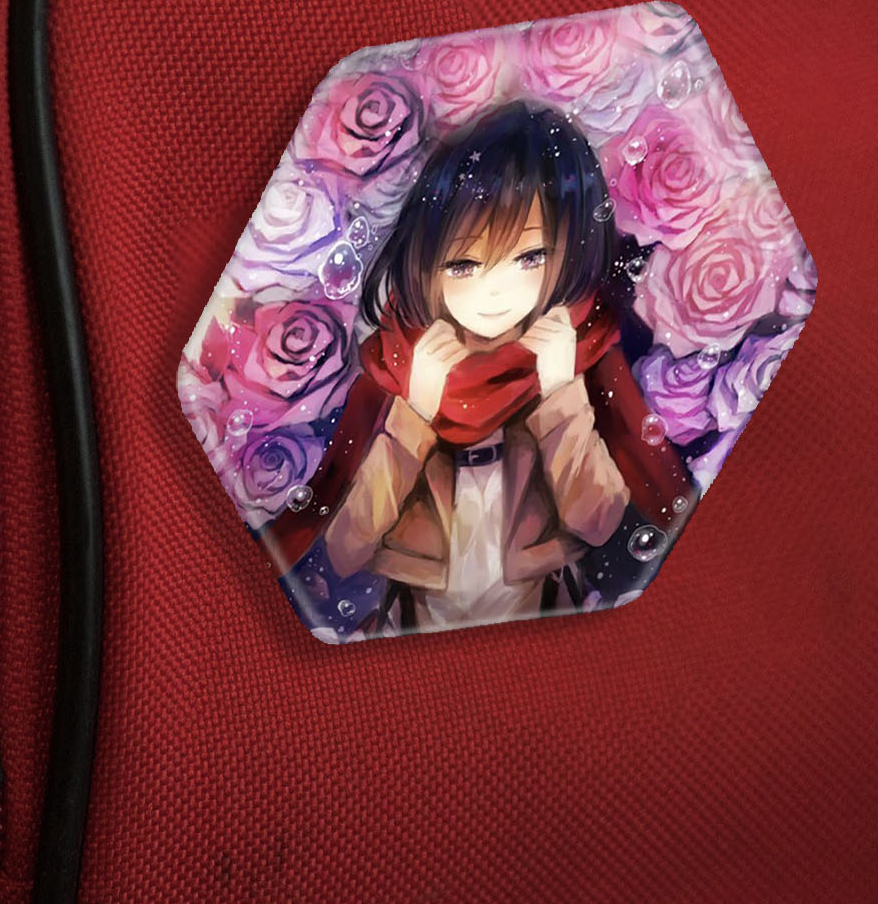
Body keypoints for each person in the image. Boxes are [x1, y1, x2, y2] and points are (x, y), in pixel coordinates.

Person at [266, 100, 691, 633]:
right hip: (412, 626)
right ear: (426, 260)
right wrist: (413, 417)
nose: (495, 291)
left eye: (530, 257)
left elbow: (600, 522)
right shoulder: (401, 363)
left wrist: (561, 398)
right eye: (464, 264)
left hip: (542, 621)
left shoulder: (574, 351)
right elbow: (347, 547)